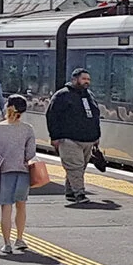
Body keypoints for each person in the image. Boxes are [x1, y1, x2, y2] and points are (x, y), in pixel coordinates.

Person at [0, 94, 37, 255]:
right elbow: (30, 154)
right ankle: (20, 239)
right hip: (23, 173)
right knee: (21, 206)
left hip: (3, 172)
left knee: (6, 208)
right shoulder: (28, 129)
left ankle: (6, 243)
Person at [46, 67, 102, 203]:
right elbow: (51, 116)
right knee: (75, 167)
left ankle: (70, 192)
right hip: (69, 139)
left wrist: (96, 136)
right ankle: (80, 194)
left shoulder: (89, 95)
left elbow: (95, 116)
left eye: (88, 79)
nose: (86, 82)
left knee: (79, 168)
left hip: (89, 139)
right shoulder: (62, 95)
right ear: (74, 79)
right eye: (84, 79)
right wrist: (54, 137)